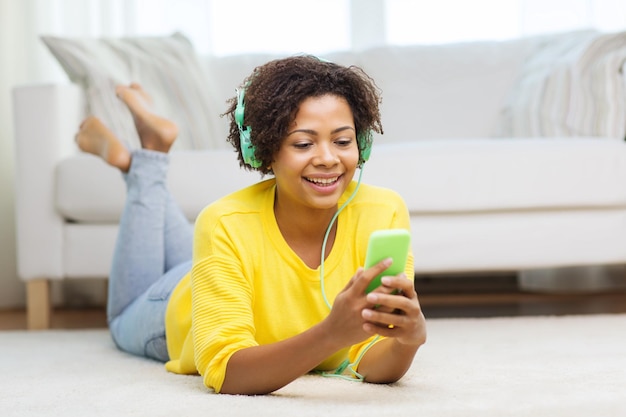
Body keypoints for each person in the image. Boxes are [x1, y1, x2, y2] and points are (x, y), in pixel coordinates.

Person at [75, 56, 427, 395]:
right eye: (304, 143)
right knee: (122, 321)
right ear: (265, 150)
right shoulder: (223, 222)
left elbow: (374, 360)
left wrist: (406, 342)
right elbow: (226, 371)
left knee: (211, 239)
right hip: (183, 300)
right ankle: (144, 161)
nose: (328, 158)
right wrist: (330, 335)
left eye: (343, 140)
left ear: (362, 143)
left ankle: (139, 159)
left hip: (227, 265)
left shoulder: (385, 211)